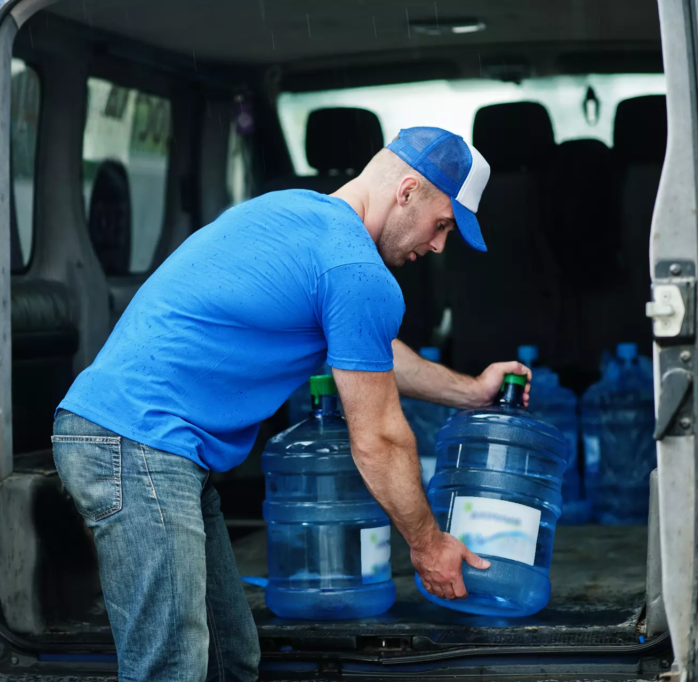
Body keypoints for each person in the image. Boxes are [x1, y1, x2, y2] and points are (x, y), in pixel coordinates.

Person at [52, 127, 531, 681]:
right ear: (407, 191)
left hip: (143, 443)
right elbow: (379, 439)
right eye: (443, 224)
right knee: (173, 669)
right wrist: (427, 546)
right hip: (137, 444)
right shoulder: (354, 268)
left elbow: (367, 349)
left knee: (231, 659)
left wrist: (469, 390)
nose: (439, 245)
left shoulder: (297, 214)